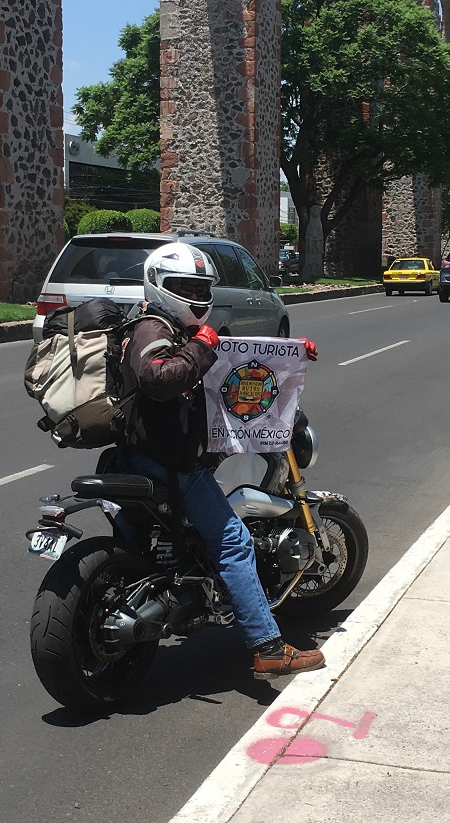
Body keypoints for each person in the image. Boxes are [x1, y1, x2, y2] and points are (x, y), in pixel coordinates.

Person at [116, 241, 325, 678]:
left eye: (200, 285)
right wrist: (202, 346)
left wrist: (290, 352)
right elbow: (159, 379)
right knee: (233, 542)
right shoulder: (152, 328)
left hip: (138, 455)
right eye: (183, 285)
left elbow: (236, 354)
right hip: (168, 461)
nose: (194, 294)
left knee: (156, 542)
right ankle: (268, 645)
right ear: (158, 285)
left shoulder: (172, 328)